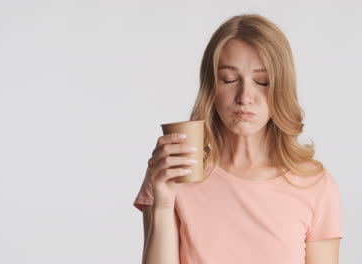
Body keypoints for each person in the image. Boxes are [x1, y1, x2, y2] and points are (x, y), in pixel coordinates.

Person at [133, 13, 343, 264]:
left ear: (281, 88)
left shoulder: (314, 184)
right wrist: (163, 204)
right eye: (229, 80)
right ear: (211, 87)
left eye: (262, 82)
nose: (245, 96)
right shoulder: (175, 170)